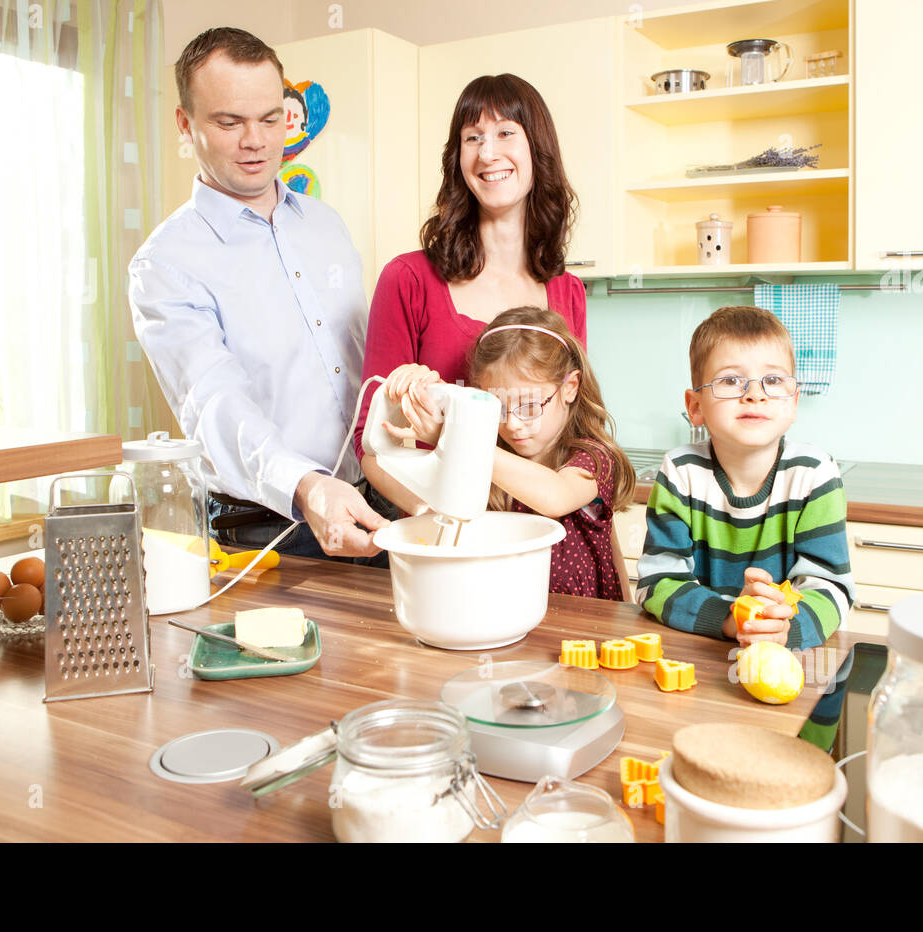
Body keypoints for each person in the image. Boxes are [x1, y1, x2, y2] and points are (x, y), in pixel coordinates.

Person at [127, 27, 391, 559]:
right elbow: (215, 403)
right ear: (186, 125)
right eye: (230, 122)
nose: (257, 140)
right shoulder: (166, 264)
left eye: (271, 119)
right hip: (263, 529)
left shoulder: (326, 225)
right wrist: (308, 487)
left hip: (372, 504)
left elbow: (368, 367)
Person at [356, 74, 588, 516]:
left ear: (537, 150)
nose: (487, 152)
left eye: (505, 133)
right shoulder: (408, 279)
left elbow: (574, 427)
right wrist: (445, 520)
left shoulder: (567, 291)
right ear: (457, 158)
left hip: (531, 534)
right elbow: (374, 444)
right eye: (472, 137)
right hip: (438, 532)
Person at [636, 306, 854, 648]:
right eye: (730, 381)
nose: (755, 393)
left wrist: (785, 630)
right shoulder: (680, 472)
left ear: (794, 403)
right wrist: (730, 618)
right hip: (699, 652)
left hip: (788, 659)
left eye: (774, 380)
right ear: (695, 407)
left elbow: (831, 587)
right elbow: (657, 582)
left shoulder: (814, 474)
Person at [382, 307, 635, 601]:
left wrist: (458, 436)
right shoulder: (487, 462)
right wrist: (412, 397)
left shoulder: (594, 457)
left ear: (570, 388)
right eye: (499, 408)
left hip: (583, 629)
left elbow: (556, 496)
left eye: (529, 406)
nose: (513, 424)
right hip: (509, 617)